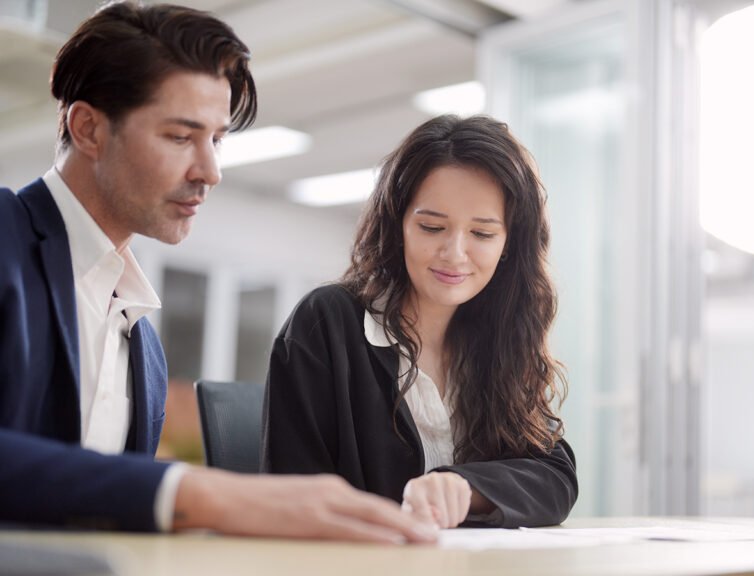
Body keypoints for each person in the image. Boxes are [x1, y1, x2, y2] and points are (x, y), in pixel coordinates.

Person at [0, 1, 436, 544]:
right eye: (181, 137)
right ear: (87, 128)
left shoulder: (144, 349)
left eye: (217, 139)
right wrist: (202, 494)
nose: (210, 171)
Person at [262, 114, 578, 529]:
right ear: (399, 227)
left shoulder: (499, 339)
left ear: (508, 246)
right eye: (432, 227)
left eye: (482, 234)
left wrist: (464, 488)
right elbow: (293, 495)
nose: (454, 253)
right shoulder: (328, 323)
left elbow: (554, 476)